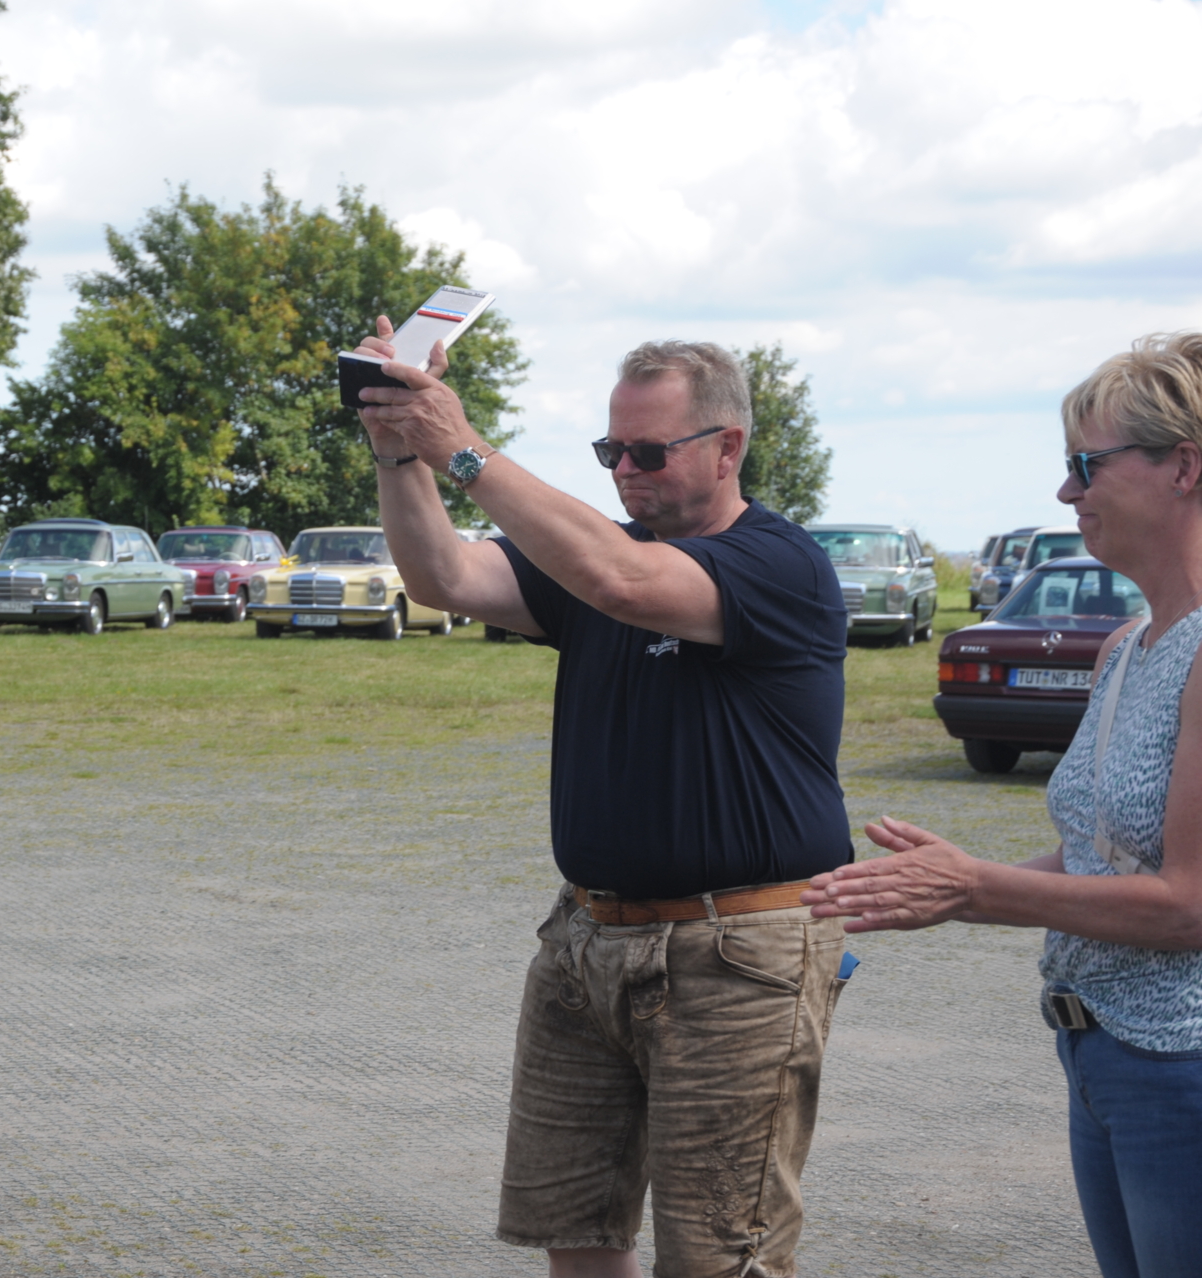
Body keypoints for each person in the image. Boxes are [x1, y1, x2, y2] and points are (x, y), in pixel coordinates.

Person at [355, 325, 853, 1278]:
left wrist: (461, 446)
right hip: (589, 941)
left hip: (735, 955)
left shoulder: (777, 566)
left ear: (729, 447)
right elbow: (444, 577)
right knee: (574, 1226)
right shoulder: (604, 556)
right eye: (610, 451)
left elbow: (622, 582)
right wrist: (398, 450)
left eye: (649, 452)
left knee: (721, 1254)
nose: (627, 471)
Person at [804, 332, 1202, 1278]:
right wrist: (935, 888)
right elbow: (1105, 857)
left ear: (1184, 467)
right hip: (1101, 1057)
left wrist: (976, 887)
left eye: (1085, 465)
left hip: (1182, 1070)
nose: (1067, 493)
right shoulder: (1128, 646)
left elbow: (1189, 904)